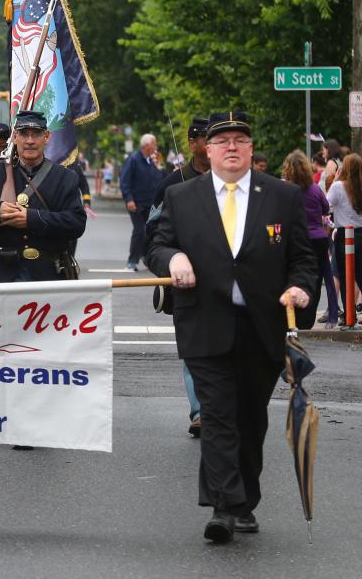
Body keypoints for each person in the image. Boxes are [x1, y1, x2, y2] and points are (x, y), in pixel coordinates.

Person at [146, 111, 316, 544]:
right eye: (222, 142)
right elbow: (159, 246)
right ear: (208, 149)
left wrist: (300, 288)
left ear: (251, 148)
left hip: (261, 326)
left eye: (241, 140)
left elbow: (302, 259)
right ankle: (225, 508)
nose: (232, 148)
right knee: (218, 415)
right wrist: (174, 260)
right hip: (205, 322)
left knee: (249, 418)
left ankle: (244, 501)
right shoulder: (182, 196)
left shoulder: (281, 196)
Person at [148, 116, 210, 438]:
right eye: (206, 138)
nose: (212, 144)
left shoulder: (241, 185)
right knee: (193, 350)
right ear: (192, 143)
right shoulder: (172, 184)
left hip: (231, 285)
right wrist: (172, 260)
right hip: (187, 285)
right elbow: (152, 236)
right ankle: (201, 411)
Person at [0, 110, 86, 284]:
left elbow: (77, 223)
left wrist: (32, 218)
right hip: (1, 276)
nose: (29, 141)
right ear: (14, 137)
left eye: (36, 134)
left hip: (48, 276)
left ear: (47, 136)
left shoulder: (65, 178)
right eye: (23, 134)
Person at [281, 150, 339, 329]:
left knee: (296, 277)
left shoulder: (286, 191)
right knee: (325, 276)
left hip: (297, 239)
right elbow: (326, 208)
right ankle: (332, 316)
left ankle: (298, 317)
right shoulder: (314, 188)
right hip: (319, 238)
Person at [326, 152, 362, 323]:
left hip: (344, 234)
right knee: (360, 275)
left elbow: (326, 205)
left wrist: (335, 179)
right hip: (361, 233)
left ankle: (349, 316)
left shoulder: (339, 187)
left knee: (345, 274)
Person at [120, 133, 165, 270]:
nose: (155, 147)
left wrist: (160, 167)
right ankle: (132, 260)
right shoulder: (133, 159)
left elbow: (160, 180)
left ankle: (145, 256)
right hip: (136, 202)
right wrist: (129, 199)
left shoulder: (151, 161)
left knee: (150, 231)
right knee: (139, 230)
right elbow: (124, 181)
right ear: (146, 146)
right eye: (154, 144)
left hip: (149, 203)